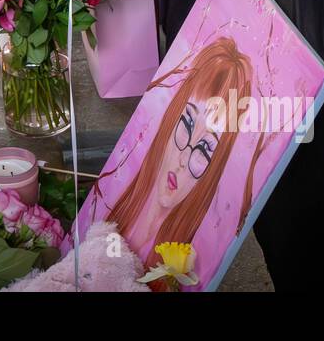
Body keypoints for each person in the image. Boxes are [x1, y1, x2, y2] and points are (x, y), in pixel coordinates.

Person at [103, 38, 267, 268]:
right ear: (171, 118)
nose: (182, 160)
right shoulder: (106, 218)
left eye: (204, 148)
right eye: (187, 123)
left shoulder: (183, 268)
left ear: (215, 168)